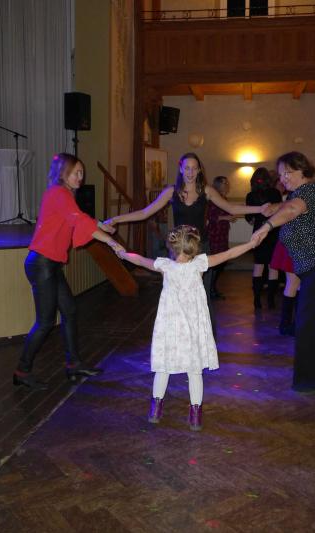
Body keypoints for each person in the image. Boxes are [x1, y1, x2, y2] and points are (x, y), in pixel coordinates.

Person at [116, 225, 258, 431]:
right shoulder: (200, 263)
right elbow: (228, 254)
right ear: (194, 247)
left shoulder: (165, 265)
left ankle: (155, 409)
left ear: (171, 247)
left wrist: (122, 253)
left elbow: (138, 259)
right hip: (193, 327)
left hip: (170, 326)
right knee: (195, 370)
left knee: (163, 367)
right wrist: (250, 244)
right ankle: (195, 415)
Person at [103, 152, 271, 319]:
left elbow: (232, 209)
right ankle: (181, 331)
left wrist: (260, 209)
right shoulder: (171, 192)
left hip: (201, 248)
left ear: (199, 170)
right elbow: (145, 213)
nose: (190, 172)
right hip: (179, 251)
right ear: (181, 169)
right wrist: (116, 219)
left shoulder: (206, 190)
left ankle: (204, 332)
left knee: (203, 296)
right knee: (179, 296)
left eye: (194, 168)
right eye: (187, 168)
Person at [14, 153, 122, 390]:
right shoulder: (58, 193)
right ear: (62, 173)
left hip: (50, 264)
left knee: (70, 311)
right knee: (45, 322)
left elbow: (78, 218)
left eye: (82, 172)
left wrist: (101, 225)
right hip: (42, 264)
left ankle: (73, 364)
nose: (80, 177)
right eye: (76, 172)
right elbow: (79, 221)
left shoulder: (64, 195)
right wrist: (111, 243)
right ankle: (22, 370)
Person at [252, 152, 315, 393]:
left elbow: (293, 209)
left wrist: (266, 226)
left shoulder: (310, 191)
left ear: (303, 171)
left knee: (310, 323)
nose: (283, 178)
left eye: (289, 172)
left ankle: (312, 380)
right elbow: (290, 205)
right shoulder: (305, 192)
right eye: (281, 174)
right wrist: (273, 207)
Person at [245, 167, 282, 309]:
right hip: (273, 232)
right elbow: (280, 212)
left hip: (259, 233)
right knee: (273, 268)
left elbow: (249, 219)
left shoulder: (250, 195)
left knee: (258, 267)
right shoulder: (275, 193)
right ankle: (271, 300)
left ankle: (257, 300)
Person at [269, 172, 300, 336]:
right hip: (292, 245)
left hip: (295, 245)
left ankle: (291, 323)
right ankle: (288, 324)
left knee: (296, 284)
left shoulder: (294, 198)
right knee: (293, 284)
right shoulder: (294, 199)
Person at [206, 176, 235, 299]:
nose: (227, 185)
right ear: (218, 185)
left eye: (227, 183)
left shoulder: (224, 198)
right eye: (224, 183)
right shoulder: (213, 199)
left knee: (222, 262)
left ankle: (212, 288)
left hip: (222, 234)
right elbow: (210, 217)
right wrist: (226, 218)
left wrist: (229, 217)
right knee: (216, 263)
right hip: (215, 234)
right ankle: (210, 289)